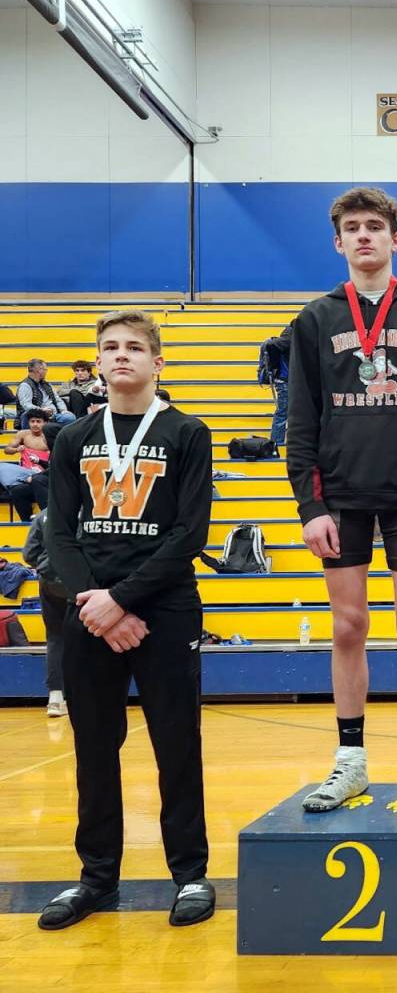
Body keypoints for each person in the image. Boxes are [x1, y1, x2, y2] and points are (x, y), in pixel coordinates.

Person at [287, 187, 397, 815]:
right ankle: (350, 760)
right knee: (348, 627)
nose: (365, 236)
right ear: (338, 242)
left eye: (376, 226)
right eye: (353, 228)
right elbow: (300, 424)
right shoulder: (314, 320)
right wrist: (311, 510)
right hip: (341, 501)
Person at [39, 309, 215, 931]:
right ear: (99, 360)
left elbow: (190, 533)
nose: (121, 356)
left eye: (135, 347)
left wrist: (125, 601)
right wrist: (97, 602)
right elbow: (59, 532)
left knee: (176, 743)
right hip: (90, 613)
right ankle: (97, 877)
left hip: (163, 610)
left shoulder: (188, 433)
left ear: (157, 362)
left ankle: (190, 873)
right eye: (110, 347)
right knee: (94, 747)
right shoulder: (71, 438)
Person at [22, 508, 68, 716]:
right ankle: (86, 697)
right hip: (81, 583)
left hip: (49, 582)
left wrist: (45, 565)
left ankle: (56, 698)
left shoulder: (42, 516)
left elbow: (29, 554)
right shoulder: (88, 511)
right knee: (89, 637)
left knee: (55, 638)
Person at [260, 320, 295, 446]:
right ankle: (276, 443)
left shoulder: (287, 337)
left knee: (283, 413)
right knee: (282, 413)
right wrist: (274, 366)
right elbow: (272, 345)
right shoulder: (289, 338)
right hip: (285, 381)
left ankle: (277, 443)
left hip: (286, 380)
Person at [16, 359, 75, 429]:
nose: (46, 372)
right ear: (39, 370)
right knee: (27, 415)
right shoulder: (25, 385)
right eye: (45, 369)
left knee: (70, 417)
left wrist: (64, 410)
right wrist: (42, 410)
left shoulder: (47, 384)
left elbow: (58, 400)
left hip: (53, 415)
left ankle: (54, 434)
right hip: (36, 416)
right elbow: (26, 405)